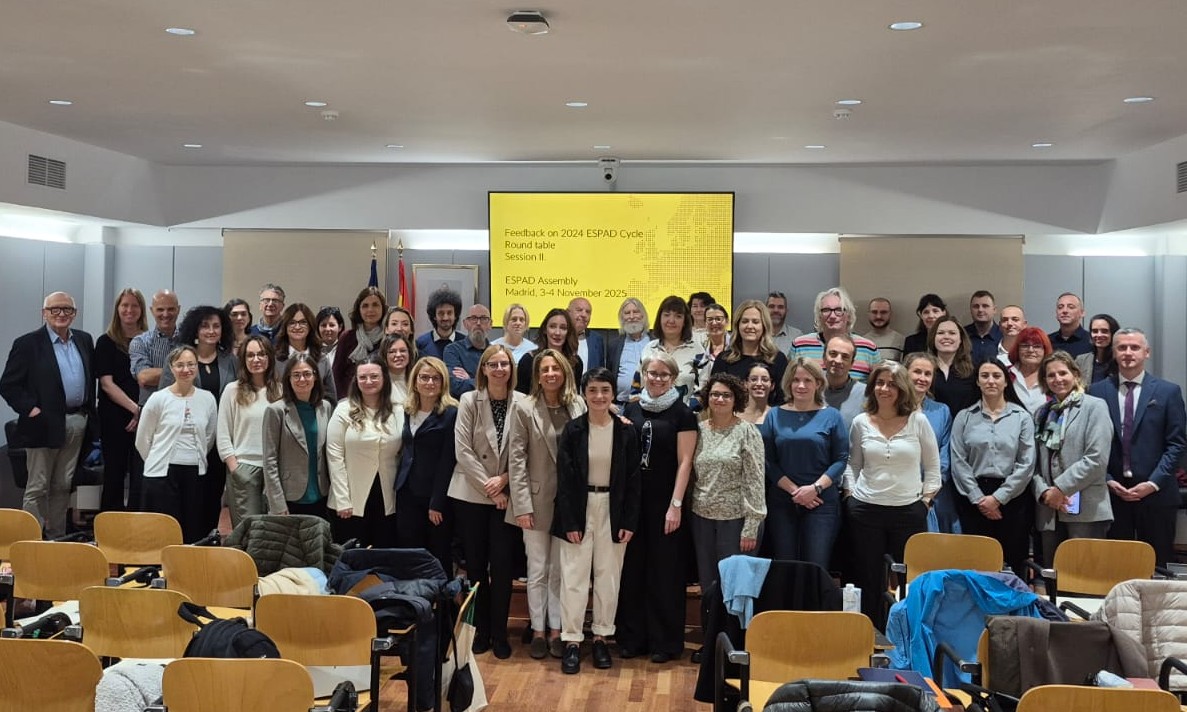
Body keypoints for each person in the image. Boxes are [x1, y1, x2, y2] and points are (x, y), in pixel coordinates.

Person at [554, 368, 642, 674]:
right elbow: (564, 481)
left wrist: (629, 520)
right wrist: (570, 522)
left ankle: (602, 637)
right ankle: (572, 640)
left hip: (613, 509)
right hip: (580, 508)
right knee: (574, 577)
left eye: (605, 390)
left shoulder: (626, 431)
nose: (599, 396)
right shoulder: (573, 430)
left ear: (613, 393)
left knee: (608, 577)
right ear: (584, 394)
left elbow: (634, 481)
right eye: (592, 390)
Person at [842, 361, 941, 629]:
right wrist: (850, 496)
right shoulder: (861, 422)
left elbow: (933, 467)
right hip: (865, 510)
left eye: (892, 384)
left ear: (902, 389)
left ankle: (906, 634)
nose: (884, 389)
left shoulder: (918, 420)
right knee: (868, 579)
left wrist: (925, 502)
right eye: (880, 383)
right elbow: (853, 464)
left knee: (909, 580)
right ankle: (870, 634)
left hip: (909, 510)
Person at [508, 349, 587, 660]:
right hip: (536, 501)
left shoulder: (577, 405)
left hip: (568, 502)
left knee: (560, 570)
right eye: (545, 369)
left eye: (556, 368)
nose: (551, 374)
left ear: (564, 372)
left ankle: (557, 630)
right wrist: (522, 505)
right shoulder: (524, 408)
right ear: (537, 376)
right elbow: (516, 459)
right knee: (538, 569)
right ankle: (538, 630)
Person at [617, 353, 696, 663]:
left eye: (664, 374)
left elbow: (685, 462)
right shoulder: (632, 409)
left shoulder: (683, 413)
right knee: (633, 570)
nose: (658, 379)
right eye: (653, 373)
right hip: (634, 502)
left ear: (673, 378)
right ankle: (632, 638)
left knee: (665, 572)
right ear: (643, 374)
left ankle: (665, 641)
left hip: (666, 502)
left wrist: (676, 505)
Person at [1087, 328, 1187, 568]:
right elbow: (1090, 443)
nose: (1128, 352)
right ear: (1114, 352)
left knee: (1157, 566)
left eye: (1135, 347)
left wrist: (1152, 483)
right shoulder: (1097, 391)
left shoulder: (1168, 391)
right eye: (1122, 347)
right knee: (1114, 566)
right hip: (1112, 493)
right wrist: (1107, 479)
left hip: (1157, 494)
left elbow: (1176, 444)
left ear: (1147, 352)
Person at [449, 344, 524, 660]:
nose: (499, 369)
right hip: (473, 493)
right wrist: (492, 489)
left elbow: (527, 450)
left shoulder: (523, 402)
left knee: (503, 567)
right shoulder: (469, 400)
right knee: (476, 566)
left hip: (508, 494)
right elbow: (463, 451)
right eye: (493, 364)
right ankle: (481, 630)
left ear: (511, 369)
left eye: (504, 364)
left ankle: (500, 632)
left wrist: (504, 480)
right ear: (483, 368)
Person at [0, 292, 95, 538]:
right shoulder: (28, 344)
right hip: (41, 425)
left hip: (77, 422)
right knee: (38, 486)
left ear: (75, 313)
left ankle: (56, 537)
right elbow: (8, 385)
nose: (61, 314)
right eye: (55, 309)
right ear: (44, 313)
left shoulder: (84, 340)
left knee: (63, 485)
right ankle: (30, 540)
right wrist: (32, 410)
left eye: (67, 309)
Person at [688, 373, 764, 642]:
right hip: (702, 519)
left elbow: (755, 480)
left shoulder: (747, 432)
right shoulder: (699, 430)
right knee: (708, 585)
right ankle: (711, 642)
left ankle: (734, 644)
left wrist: (752, 525)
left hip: (736, 522)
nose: (719, 399)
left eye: (726, 395)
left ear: (736, 399)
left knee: (734, 587)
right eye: (715, 394)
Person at [950, 359, 1036, 578]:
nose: (991, 381)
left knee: (1014, 561)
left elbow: (1026, 463)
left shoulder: (1021, 417)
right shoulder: (964, 416)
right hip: (973, 498)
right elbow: (958, 461)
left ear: (1006, 382)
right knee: (976, 563)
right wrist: (979, 499)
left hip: (1012, 497)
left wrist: (998, 498)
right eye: (985, 376)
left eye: (997, 376)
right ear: (977, 382)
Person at [759, 358, 847, 570]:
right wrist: (795, 491)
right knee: (785, 565)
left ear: (818, 383)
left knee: (816, 565)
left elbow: (841, 459)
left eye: (807, 380)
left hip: (821, 502)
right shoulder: (774, 415)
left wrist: (814, 489)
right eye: (796, 380)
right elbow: (768, 460)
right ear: (788, 383)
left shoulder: (832, 416)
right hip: (783, 501)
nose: (801, 385)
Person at [161, 305, 237, 532]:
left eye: (216, 326)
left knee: (213, 493)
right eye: (205, 326)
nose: (211, 331)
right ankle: (185, 542)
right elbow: (166, 396)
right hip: (187, 440)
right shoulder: (179, 358)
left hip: (221, 438)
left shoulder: (231, 361)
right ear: (195, 329)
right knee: (188, 497)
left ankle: (208, 538)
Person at [1033, 352, 1114, 563]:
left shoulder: (1094, 406)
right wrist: (1045, 492)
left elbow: (1096, 459)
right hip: (1050, 510)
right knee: (1053, 574)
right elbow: (1035, 465)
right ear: (1044, 380)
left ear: (1076, 375)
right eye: (1051, 375)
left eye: (1063, 373)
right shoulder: (1042, 413)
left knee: (1084, 574)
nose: (1057, 379)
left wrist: (1060, 489)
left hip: (1086, 508)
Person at [135, 345, 218, 542]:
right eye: (180, 365)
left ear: (197, 367)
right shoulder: (158, 399)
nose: (186, 369)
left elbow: (209, 437)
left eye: (191, 364)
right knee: (162, 535)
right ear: (171, 368)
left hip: (195, 474)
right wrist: (156, 459)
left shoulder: (207, 399)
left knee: (191, 533)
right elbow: (142, 439)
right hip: (161, 475)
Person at [326, 356, 402, 546]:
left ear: (384, 378)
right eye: (363, 377)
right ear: (356, 380)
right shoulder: (343, 409)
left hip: (387, 498)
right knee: (352, 556)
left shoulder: (398, 410)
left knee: (384, 555)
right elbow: (334, 455)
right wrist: (343, 500)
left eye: (374, 376)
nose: (368, 381)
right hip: (351, 499)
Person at [396, 356, 459, 573]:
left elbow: (448, 460)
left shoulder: (451, 413)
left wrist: (437, 502)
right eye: (424, 377)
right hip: (407, 493)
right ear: (415, 381)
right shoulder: (407, 410)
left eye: (435, 378)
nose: (430, 383)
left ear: (443, 382)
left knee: (438, 557)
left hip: (435, 496)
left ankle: (442, 597)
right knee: (409, 554)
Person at [217, 335, 282, 528]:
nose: (256, 359)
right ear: (243, 360)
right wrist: (234, 468)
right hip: (244, 468)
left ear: (269, 357)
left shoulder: (281, 390)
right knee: (249, 530)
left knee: (275, 530)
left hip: (276, 469)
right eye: (250, 355)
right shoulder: (232, 390)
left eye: (261, 354)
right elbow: (223, 434)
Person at [95, 288, 147, 512]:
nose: (129, 310)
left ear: (141, 310)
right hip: (115, 417)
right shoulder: (105, 342)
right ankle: (109, 524)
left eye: (135, 305)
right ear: (117, 309)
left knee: (141, 475)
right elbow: (107, 384)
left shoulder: (148, 341)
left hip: (145, 416)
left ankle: (137, 523)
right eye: (125, 305)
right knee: (114, 474)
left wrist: (143, 411)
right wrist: (136, 409)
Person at [262, 354, 333, 517]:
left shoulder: (325, 407)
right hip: (289, 497)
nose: (302, 379)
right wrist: (277, 503)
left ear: (315, 377)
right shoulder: (275, 411)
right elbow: (270, 460)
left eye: (307, 374)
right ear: (288, 378)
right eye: (296, 375)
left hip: (321, 493)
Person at [903, 352, 956, 534]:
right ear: (905, 373)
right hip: (898, 492)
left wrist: (928, 491)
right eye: (917, 372)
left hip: (935, 495)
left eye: (928, 374)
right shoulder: (891, 409)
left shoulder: (942, 411)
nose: (922, 378)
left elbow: (945, 455)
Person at [791, 287, 881, 382]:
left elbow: (878, 385)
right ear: (819, 315)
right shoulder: (800, 345)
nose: (832, 316)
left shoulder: (868, 348)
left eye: (839, 310)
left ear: (849, 315)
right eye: (826, 310)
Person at [711, 300, 790, 407]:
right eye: (745, 321)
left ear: (764, 326)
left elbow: (784, 399)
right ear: (738, 325)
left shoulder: (778, 359)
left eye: (755, 322)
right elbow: (714, 396)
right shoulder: (723, 359)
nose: (749, 326)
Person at [639, 295, 702, 405]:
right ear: (660, 318)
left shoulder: (697, 350)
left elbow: (704, 391)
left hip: (686, 414)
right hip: (650, 412)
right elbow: (636, 388)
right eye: (666, 315)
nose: (671, 320)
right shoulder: (649, 348)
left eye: (678, 316)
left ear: (685, 321)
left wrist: (685, 411)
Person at [332, 286, 387, 398]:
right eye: (365, 306)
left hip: (381, 399)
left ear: (383, 309)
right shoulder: (347, 337)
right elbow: (336, 374)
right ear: (359, 310)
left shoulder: (388, 338)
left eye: (375, 305)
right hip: (349, 399)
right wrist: (344, 401)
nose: (370, 310)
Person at [274, 303, 335, 402]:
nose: (297, 327)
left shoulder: (322, 359)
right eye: (292, 323)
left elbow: (331, 397)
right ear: (285, 326)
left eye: (303, 322)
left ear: (310, 326)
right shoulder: (275, 360)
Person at [130, 289, 181, 405]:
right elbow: (144, 377)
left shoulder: (189, 340)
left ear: (178, 309)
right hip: (151, 410)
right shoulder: (140, 342)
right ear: (152, 311)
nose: (165, 314)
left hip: (183, 408)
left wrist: (157, 375)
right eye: (160, 309)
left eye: (171, 309)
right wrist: (185, 372)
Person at [516, 308, 584, 395]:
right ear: (545, 329)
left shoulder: (576, 362)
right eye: (552, 326)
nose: (557, 333)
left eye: (563, 328)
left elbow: (575, 396)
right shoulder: (528, 360)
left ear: (568, 332)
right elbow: (520, 397)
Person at [929, 315, 979, 416]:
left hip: (965, 424)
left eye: (952, 333)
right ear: (933, 338)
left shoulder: (974, 370)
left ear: (960, 339)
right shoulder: (924, 369)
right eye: (940, 333)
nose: (946, 337)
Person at [605, 297, 649, 407]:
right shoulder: (614, 345)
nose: (632, 316)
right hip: (621, 406)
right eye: (627, 313)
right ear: (622, 318)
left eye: (636, 312)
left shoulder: (655, 342)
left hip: (649, 405)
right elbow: (608, 376)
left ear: (643, 315)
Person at [444, 304, 492, 398]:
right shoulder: (452, 350)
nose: (478, 323)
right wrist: (488, 381)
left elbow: (502, 385)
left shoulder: (497, 353)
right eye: (473, 318)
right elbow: (456, 387)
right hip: (463, 405)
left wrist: (469, 380)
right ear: (465, 324)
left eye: (483, 318)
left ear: (490, 324)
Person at [821, 335, 866, 430]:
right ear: (824, 357)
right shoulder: (810, 388)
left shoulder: (865, 394)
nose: (838, 360)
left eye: (845, 357)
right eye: (833, 354)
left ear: (852, 363)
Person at [1006, 327, 1053, 414]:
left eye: (1037, 346)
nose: (1030, 350)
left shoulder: (1053, 376)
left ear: (1045, 350)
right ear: (1017, 349)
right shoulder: (1005, 374)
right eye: (1025, 346)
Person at [415, 287, 465, 360]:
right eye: (441, 313)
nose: (445, 318)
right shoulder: (421, 343)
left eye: (449, 313)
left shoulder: (465, 343)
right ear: (434, 316)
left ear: (455, 315)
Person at [1075, 313, 1120, 386]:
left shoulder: (1120, 360)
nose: (1099, 335)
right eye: (1095, 331)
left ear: (1113, 333)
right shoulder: (1081, 361)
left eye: (1104, 331)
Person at [694, 303, 730, 387]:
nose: (714, 323)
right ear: (705, 323)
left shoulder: (735, 347)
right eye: (710, 319)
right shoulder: (697, 347)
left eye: (718, 319)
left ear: (727, 321)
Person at [1048, 292, 1092, 358]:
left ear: (1082, 313)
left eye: (1071, 307)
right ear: (1056, 313)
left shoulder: (1091, 341)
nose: (1064, 311)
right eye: (1060, 307)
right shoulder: (1047, 341)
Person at [862, 297, 905, 363]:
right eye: (874, 312)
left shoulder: (901, 341)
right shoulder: (862, 342)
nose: (878, 316)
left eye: (883, 312)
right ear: (869, 314)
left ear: (890, 314)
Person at [965, 290, 1002, 365]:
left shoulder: (1003, 335)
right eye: (976, 306)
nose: (980, 310)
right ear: (970, 310)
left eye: (985, 306)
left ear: (994, 310)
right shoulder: (962, 334)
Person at [568, 297, 605, 369]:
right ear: (568, 312)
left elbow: (600, 370)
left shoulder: (596, 339)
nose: (584, 315)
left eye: (588, 312)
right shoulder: (559, 335)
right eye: (579, 310)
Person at [380, 333, 414, 406]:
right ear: (384, 355)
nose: (398, 355)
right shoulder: (378, 381)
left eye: (402, 351)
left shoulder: (418, 379)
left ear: (409, 353)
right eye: (392, 352)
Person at [316, 306, 345, 371]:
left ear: (340, 327)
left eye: (332, 325)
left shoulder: (347, 350)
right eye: (323, 325)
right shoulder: (312, 350)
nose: (327, 329)